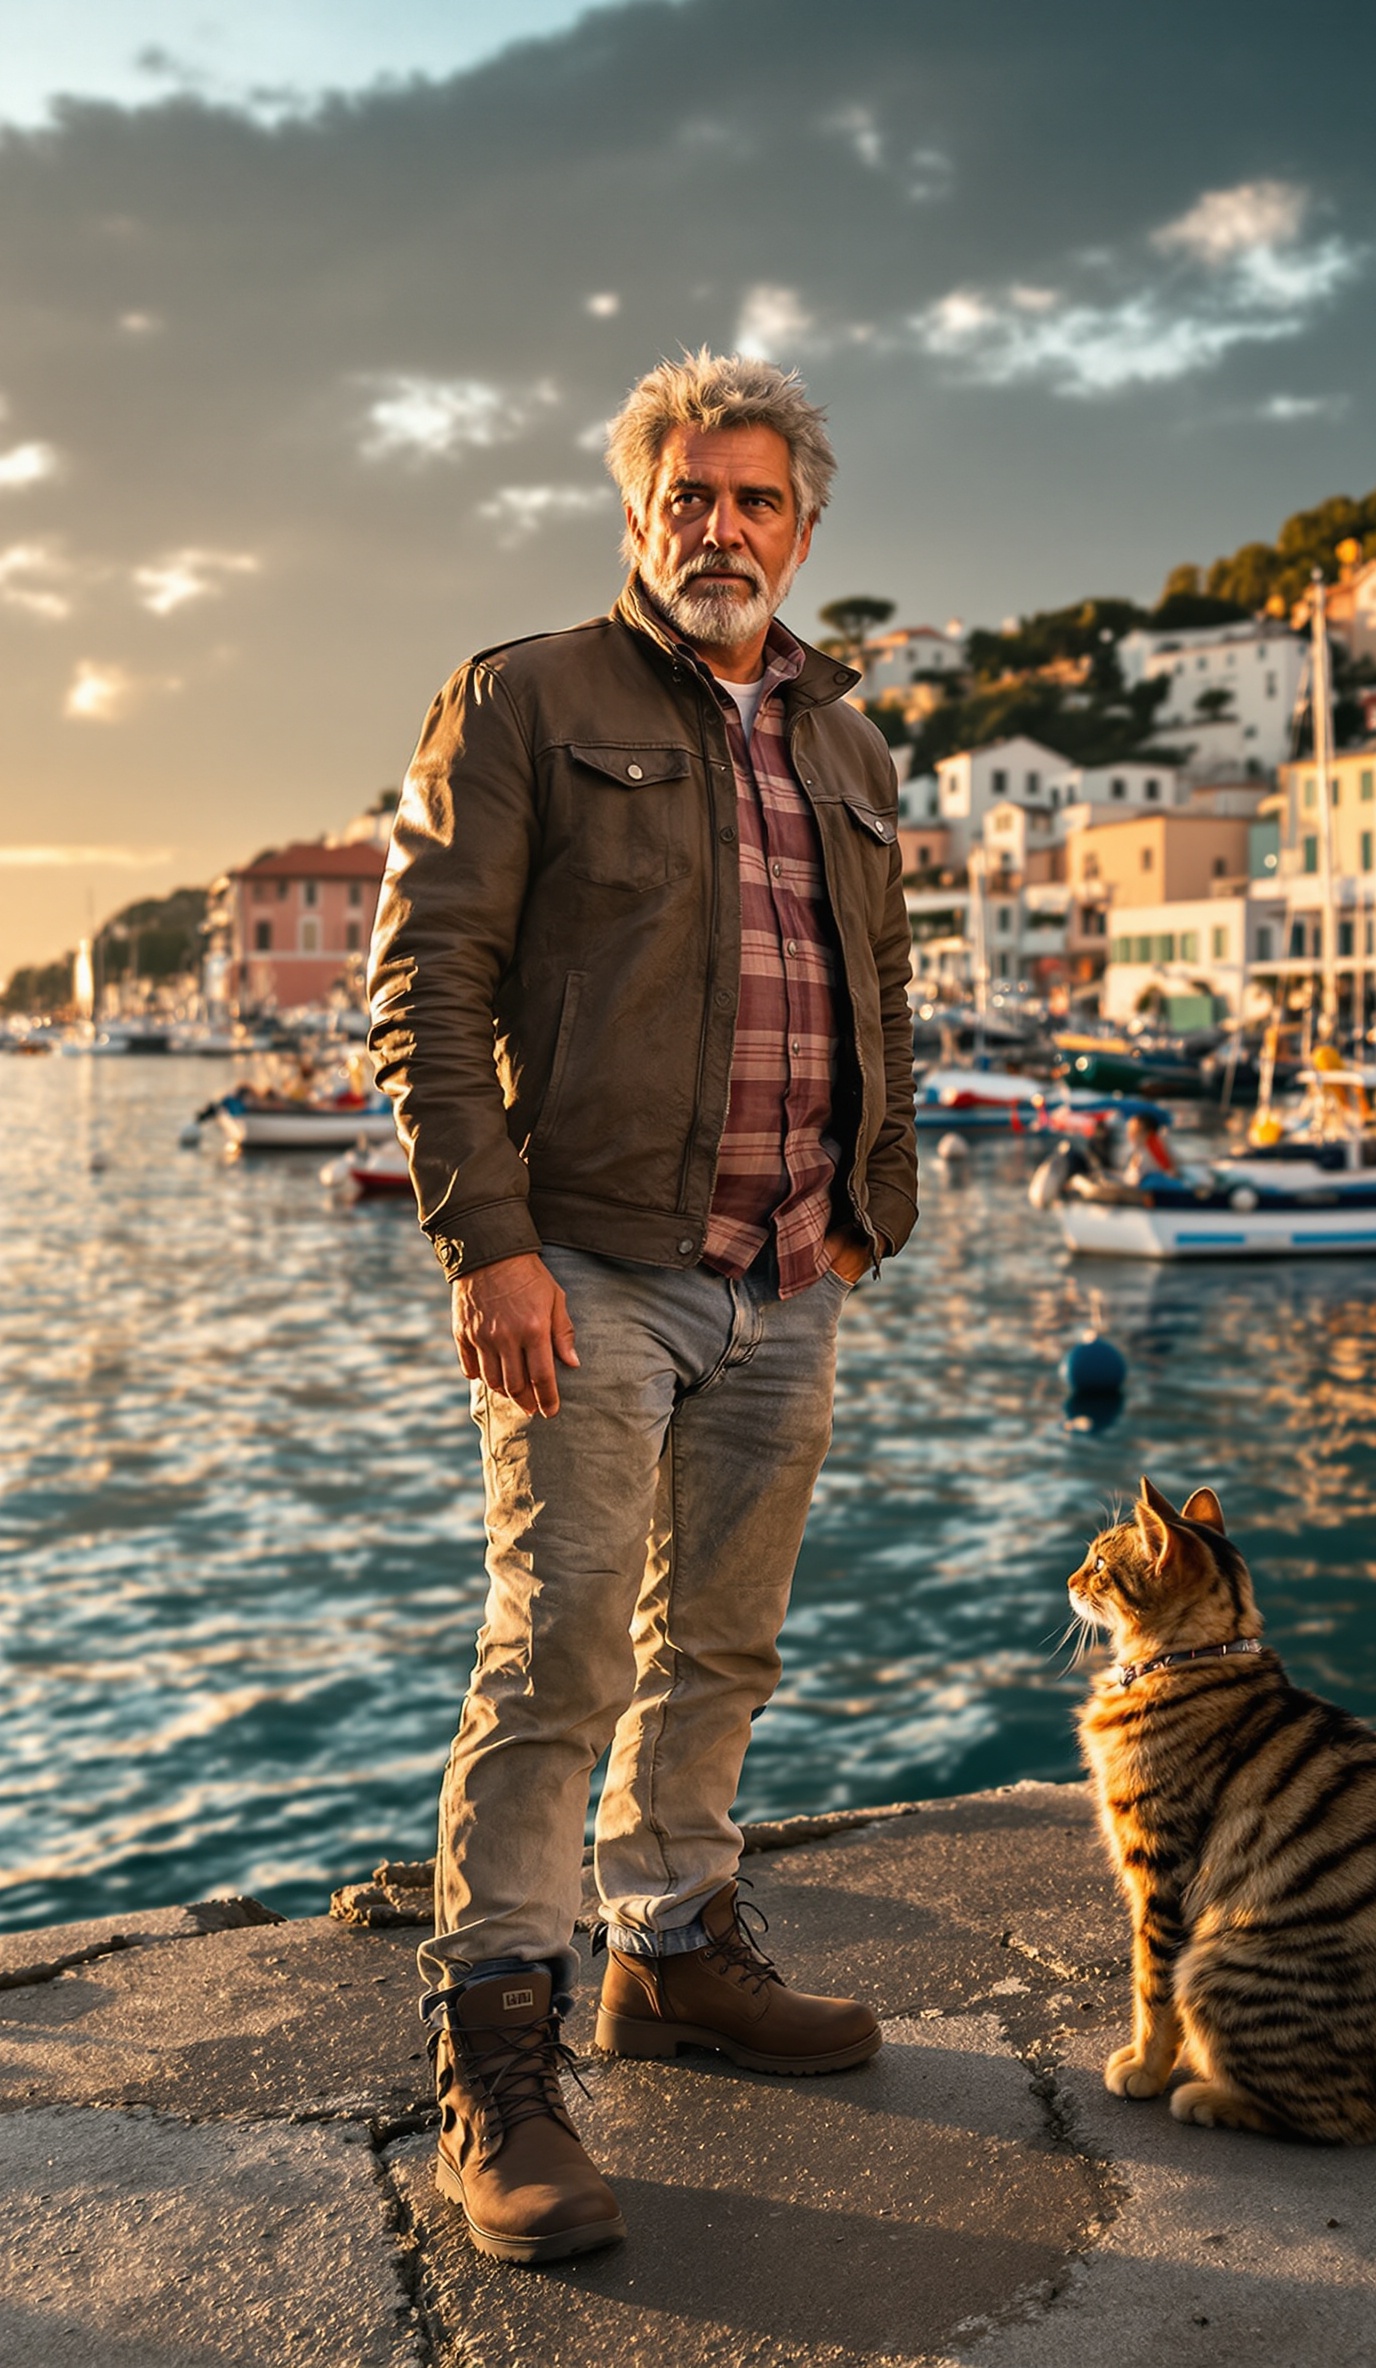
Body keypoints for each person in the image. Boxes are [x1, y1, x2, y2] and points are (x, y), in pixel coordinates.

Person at [367, 350, 917, 2266]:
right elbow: (429, 985)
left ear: (804, 524)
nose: (723, 527)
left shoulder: (849, 744)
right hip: (587, 1263)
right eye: (689, 495)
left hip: (790, 1268)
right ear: (638, 512)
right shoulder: (523, 699)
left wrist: (876, 1208)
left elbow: (885, 991)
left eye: (757, 499)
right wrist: (487, 1247)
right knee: (558, 1654)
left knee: (725, 1647)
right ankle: (496, 2054)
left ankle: (672, 1953)